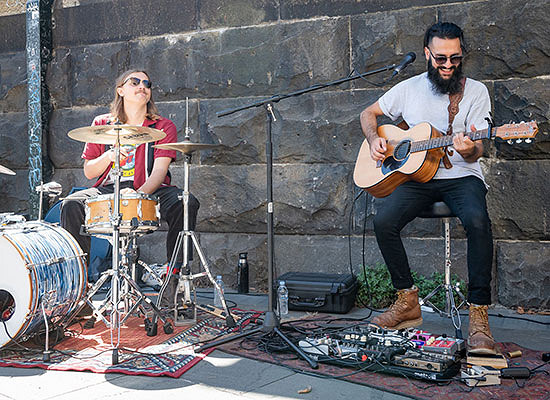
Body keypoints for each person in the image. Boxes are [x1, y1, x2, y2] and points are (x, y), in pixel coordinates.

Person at [359, 22, 495, 354]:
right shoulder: (408, 88)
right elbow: (369, 113)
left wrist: (469, 149)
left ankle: (478, 313)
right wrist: (376, 138)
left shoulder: (475, 91)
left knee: (478, 221)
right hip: (417, 178)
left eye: (455, 59)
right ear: (426, 54)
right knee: (383, 221)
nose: (448, 66)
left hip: (462, 178)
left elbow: (480, 148)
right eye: (441, 59)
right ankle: (406, 301)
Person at [60, 69, 199, 311]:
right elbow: (90, 172)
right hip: (109, 187)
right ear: (121, 90)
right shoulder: (102, 124)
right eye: (135, 82)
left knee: (185, 203)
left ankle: (174, 282)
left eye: (147, 83)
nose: (142, 86)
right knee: (71, 204)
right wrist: (109, 155)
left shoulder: (163, 126)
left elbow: (159, 172)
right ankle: (77, 291)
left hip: (151, 188)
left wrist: (137, 196)